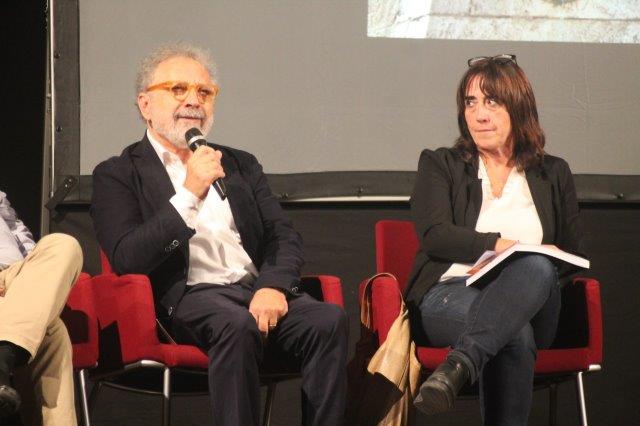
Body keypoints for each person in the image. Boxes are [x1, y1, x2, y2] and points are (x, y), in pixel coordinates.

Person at [90, 43, 347, 426]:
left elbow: (282, 236)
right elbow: (128, 257)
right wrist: (189, 193)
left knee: (328, 320)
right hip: (189, 298)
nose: (194, 101)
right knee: (235, 324)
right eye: (178, 89)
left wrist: (272, 286)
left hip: (254, 291)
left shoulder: (239, 163)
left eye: (204, 92)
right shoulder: (117, 173)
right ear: (145, 105)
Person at [407, 54, 584, 424]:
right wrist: (502, 246)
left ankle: (460, 362)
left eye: (492, 102)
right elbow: (435, 236)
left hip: (535, 302)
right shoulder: (441, 164)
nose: (479, 115)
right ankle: (465, 361)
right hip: (451, 292)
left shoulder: (553, 172)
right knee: (514, 335)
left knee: (536, 266)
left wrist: (523, 265)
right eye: (470, 103)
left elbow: (570, 253)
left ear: (518, 107)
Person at [0, 190, 83, 425]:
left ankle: (4, 354)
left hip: (15, 279)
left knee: (64, 244)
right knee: (53, 332)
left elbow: (19, 235)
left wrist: (32, 277)